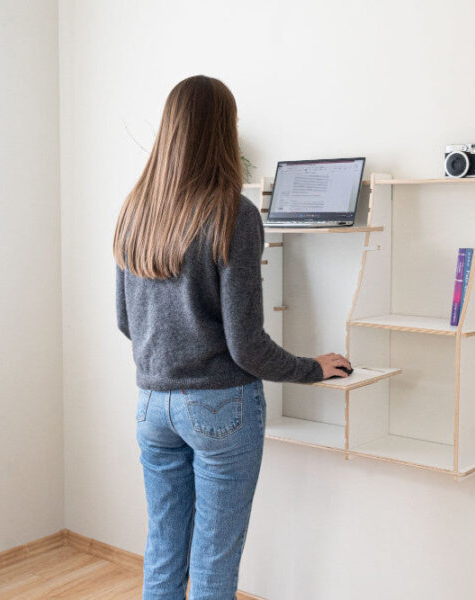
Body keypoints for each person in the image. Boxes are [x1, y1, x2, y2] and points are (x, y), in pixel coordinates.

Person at [113, 74, 351, 600]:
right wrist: (313, 368)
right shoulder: (232, 213)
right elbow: (247, 346)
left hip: (152, 406)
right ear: (225, 131)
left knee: (164, 548)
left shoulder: (136, 211)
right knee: (215, 559)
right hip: (221, 406)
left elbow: (127, 323)